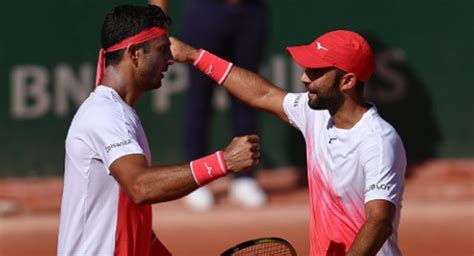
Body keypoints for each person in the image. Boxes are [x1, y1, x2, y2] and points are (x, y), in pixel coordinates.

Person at [170, 30, 406, 255]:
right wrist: (195, 56)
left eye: (316, 71)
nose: (304, 77)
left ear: (347, 81)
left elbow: (379, 222)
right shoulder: (316, 114)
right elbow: (262, 94)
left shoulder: (378, 142)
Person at [57, 4, 260, 256]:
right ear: (134, 54)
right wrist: (223, 161)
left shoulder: (121, 113)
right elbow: (141, 187)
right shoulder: (104, 114)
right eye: (162, 50)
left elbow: (132, 219)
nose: (170, 59)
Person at [150, 0, 268, 210]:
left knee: (247, 96)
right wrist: (156, 24)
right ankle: (197, 180)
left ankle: (245, 178)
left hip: (251, 11)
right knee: (199, 99)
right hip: (206, 11)